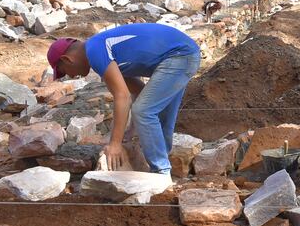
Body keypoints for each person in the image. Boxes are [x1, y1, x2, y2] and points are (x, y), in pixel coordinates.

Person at [47, 24, 201, 175]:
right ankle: (163, 164)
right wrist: (130, 130)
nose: (71, 76)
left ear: (67, 59)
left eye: (64, 72)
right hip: (184, 54)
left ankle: (160, 171)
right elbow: (138, 92)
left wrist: (115, 143)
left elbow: (122, 97)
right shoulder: (103, 52)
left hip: (179, 56)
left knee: (144, 110)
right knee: (159, 112)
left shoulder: (95, 50)